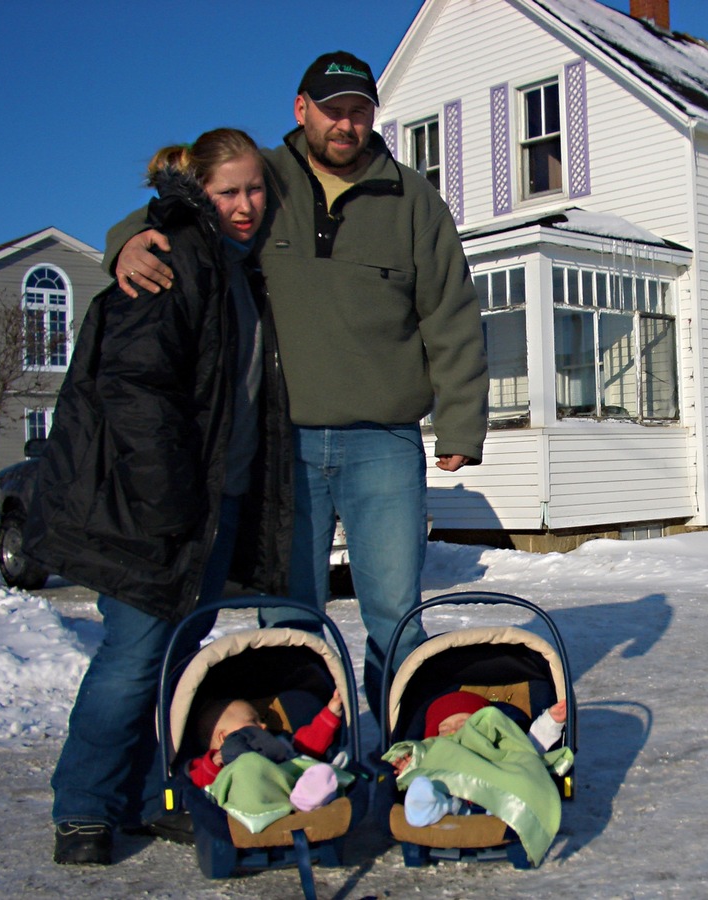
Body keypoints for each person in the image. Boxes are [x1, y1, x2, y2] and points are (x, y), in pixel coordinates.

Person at [108, 51, 489, 716]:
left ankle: (407, 740)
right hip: (284, 447)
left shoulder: (413, 198)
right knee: (287, 611)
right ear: (301, 109)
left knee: (397, 608)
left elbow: (450, 311)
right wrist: (129, 240)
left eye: (360, 111)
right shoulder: (264, 180)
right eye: (333, 110)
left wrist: (462, 420)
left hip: (384, 440)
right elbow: (180, 214)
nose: (347, 124)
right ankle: (308, 746)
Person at [22, 128, 293, 866]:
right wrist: (168, 497)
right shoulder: (173, 254)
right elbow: (135, 388)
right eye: (230, 191)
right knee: (134, 657)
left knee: (177, 657)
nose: (245, 205)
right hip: (158, 507)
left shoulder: (235, 265)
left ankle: (149, 796)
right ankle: (83, 807)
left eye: (255, 190)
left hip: (211, 502)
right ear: (200, 190)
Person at [383, 691, 573, 866]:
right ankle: (428, 806)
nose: (453, 732)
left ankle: (500, 810)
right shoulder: (436, 749)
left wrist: (551, 721)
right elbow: (420, 759)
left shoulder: (496, 744)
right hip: (452, 797)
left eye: (462, 724)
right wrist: (409, 767)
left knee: (520, 773)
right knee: (425, 783)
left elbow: (526, 750)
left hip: (493, 796)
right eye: (444, 728)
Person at [189, 691, 343, 788]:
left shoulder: (274, 743)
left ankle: (323, 782)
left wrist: (330, 714)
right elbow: (194, 784)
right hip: (246, 807)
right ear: (223, 737)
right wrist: (212, 766)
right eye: (253, 721)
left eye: (260, 719)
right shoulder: (212, 763)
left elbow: (307, 744)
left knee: (307, 767)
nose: (263, 725)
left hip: (288, 790)